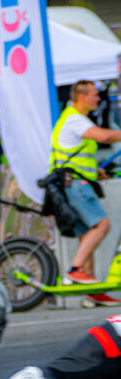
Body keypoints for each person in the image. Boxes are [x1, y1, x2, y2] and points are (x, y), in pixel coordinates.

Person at [50, 79, 121, 305]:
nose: (99, 98)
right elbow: (104, 137)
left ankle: (92, 291)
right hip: (75, 184)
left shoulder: (73, 118)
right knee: (102, 225)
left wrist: (96, 172)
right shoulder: (74, 118)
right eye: (95, 94)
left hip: (75, 181)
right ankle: (75, 270)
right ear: (82, 97)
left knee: (87, 234)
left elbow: (77, 156)